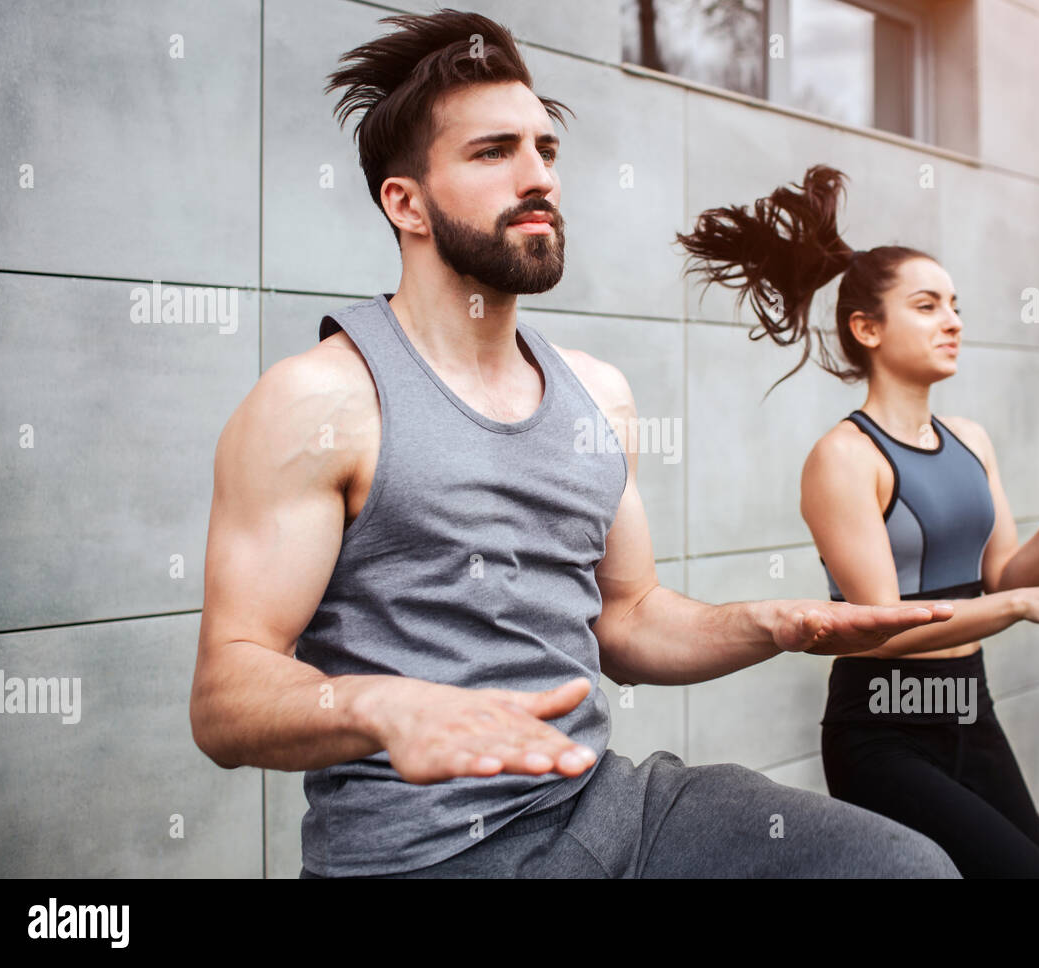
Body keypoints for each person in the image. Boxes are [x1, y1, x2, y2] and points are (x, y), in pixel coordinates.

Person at [188, 12, 962, 879]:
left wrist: (768, 623)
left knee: (905, 869)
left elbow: (626, 618)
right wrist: (382, 707)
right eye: (493, 153)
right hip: (422, 856)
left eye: (546, 150)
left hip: (602, 803)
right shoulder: (320, 399)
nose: (538, 177)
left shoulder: (598, 393)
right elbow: (225, 695)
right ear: (404, 202)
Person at [675, 165, 1039, 877]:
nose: (954, 321)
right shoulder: (844, 457)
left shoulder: (971, 438)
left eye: (956, 305)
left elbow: (1004, 576)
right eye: (928, 305)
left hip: (973, 712)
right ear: (866, 327)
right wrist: (1019, 606)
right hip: (883, 734)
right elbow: (878, 628)